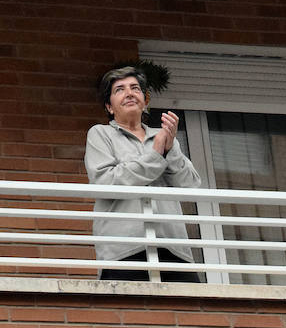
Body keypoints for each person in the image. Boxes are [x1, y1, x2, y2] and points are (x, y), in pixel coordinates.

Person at [84, 65, 202, 281]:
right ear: (109, 106)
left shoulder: (163, 137)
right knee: (128, 313)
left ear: (145, 101)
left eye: (135, 88)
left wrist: (169, 149)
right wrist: (157, 156)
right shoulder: (101, 134)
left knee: (188, 313)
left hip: (173, 248)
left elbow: (191, 187)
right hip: (124, 251)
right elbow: (105, 182)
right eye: (119, 89)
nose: (129, 93)